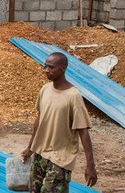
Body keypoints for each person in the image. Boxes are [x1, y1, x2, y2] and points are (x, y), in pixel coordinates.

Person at [22, 52, 98, 191]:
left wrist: (90, 165)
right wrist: (30, 147)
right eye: (45, 66)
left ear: (62, 68)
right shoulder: (45, 89)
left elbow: (83, 131)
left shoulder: (73, 96)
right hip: (40, 153)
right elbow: (39, 120)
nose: (46, 70)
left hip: (60, 158)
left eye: (50, 67)